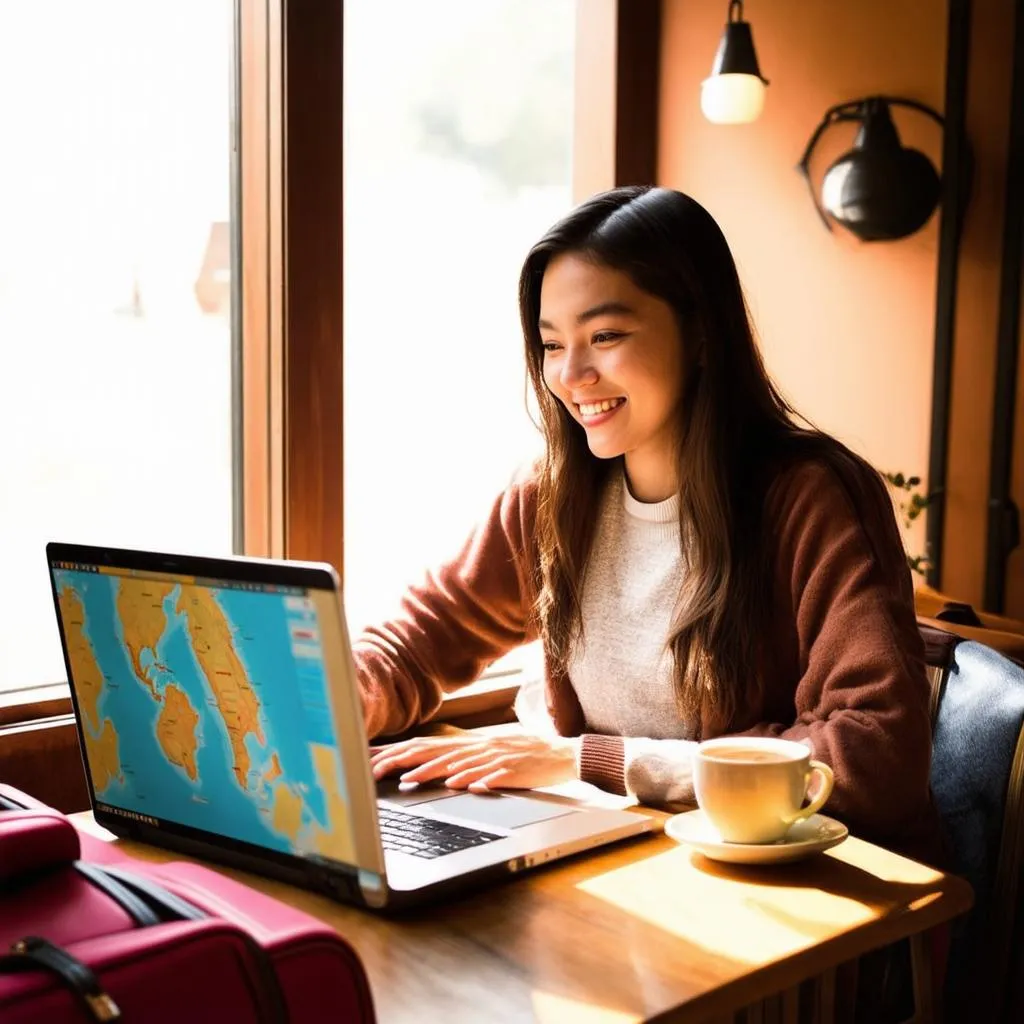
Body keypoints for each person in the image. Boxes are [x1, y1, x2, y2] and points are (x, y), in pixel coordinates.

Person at [357, 185, 944, 868]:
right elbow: (419, 640)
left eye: (605, 336)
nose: (572, 376)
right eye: (551, 344)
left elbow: (875, 754)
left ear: (700, 332)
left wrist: (588, 761)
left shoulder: (810, 498)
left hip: (802, 899)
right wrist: (333, 705)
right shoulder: (549, 496)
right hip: (625, 858)